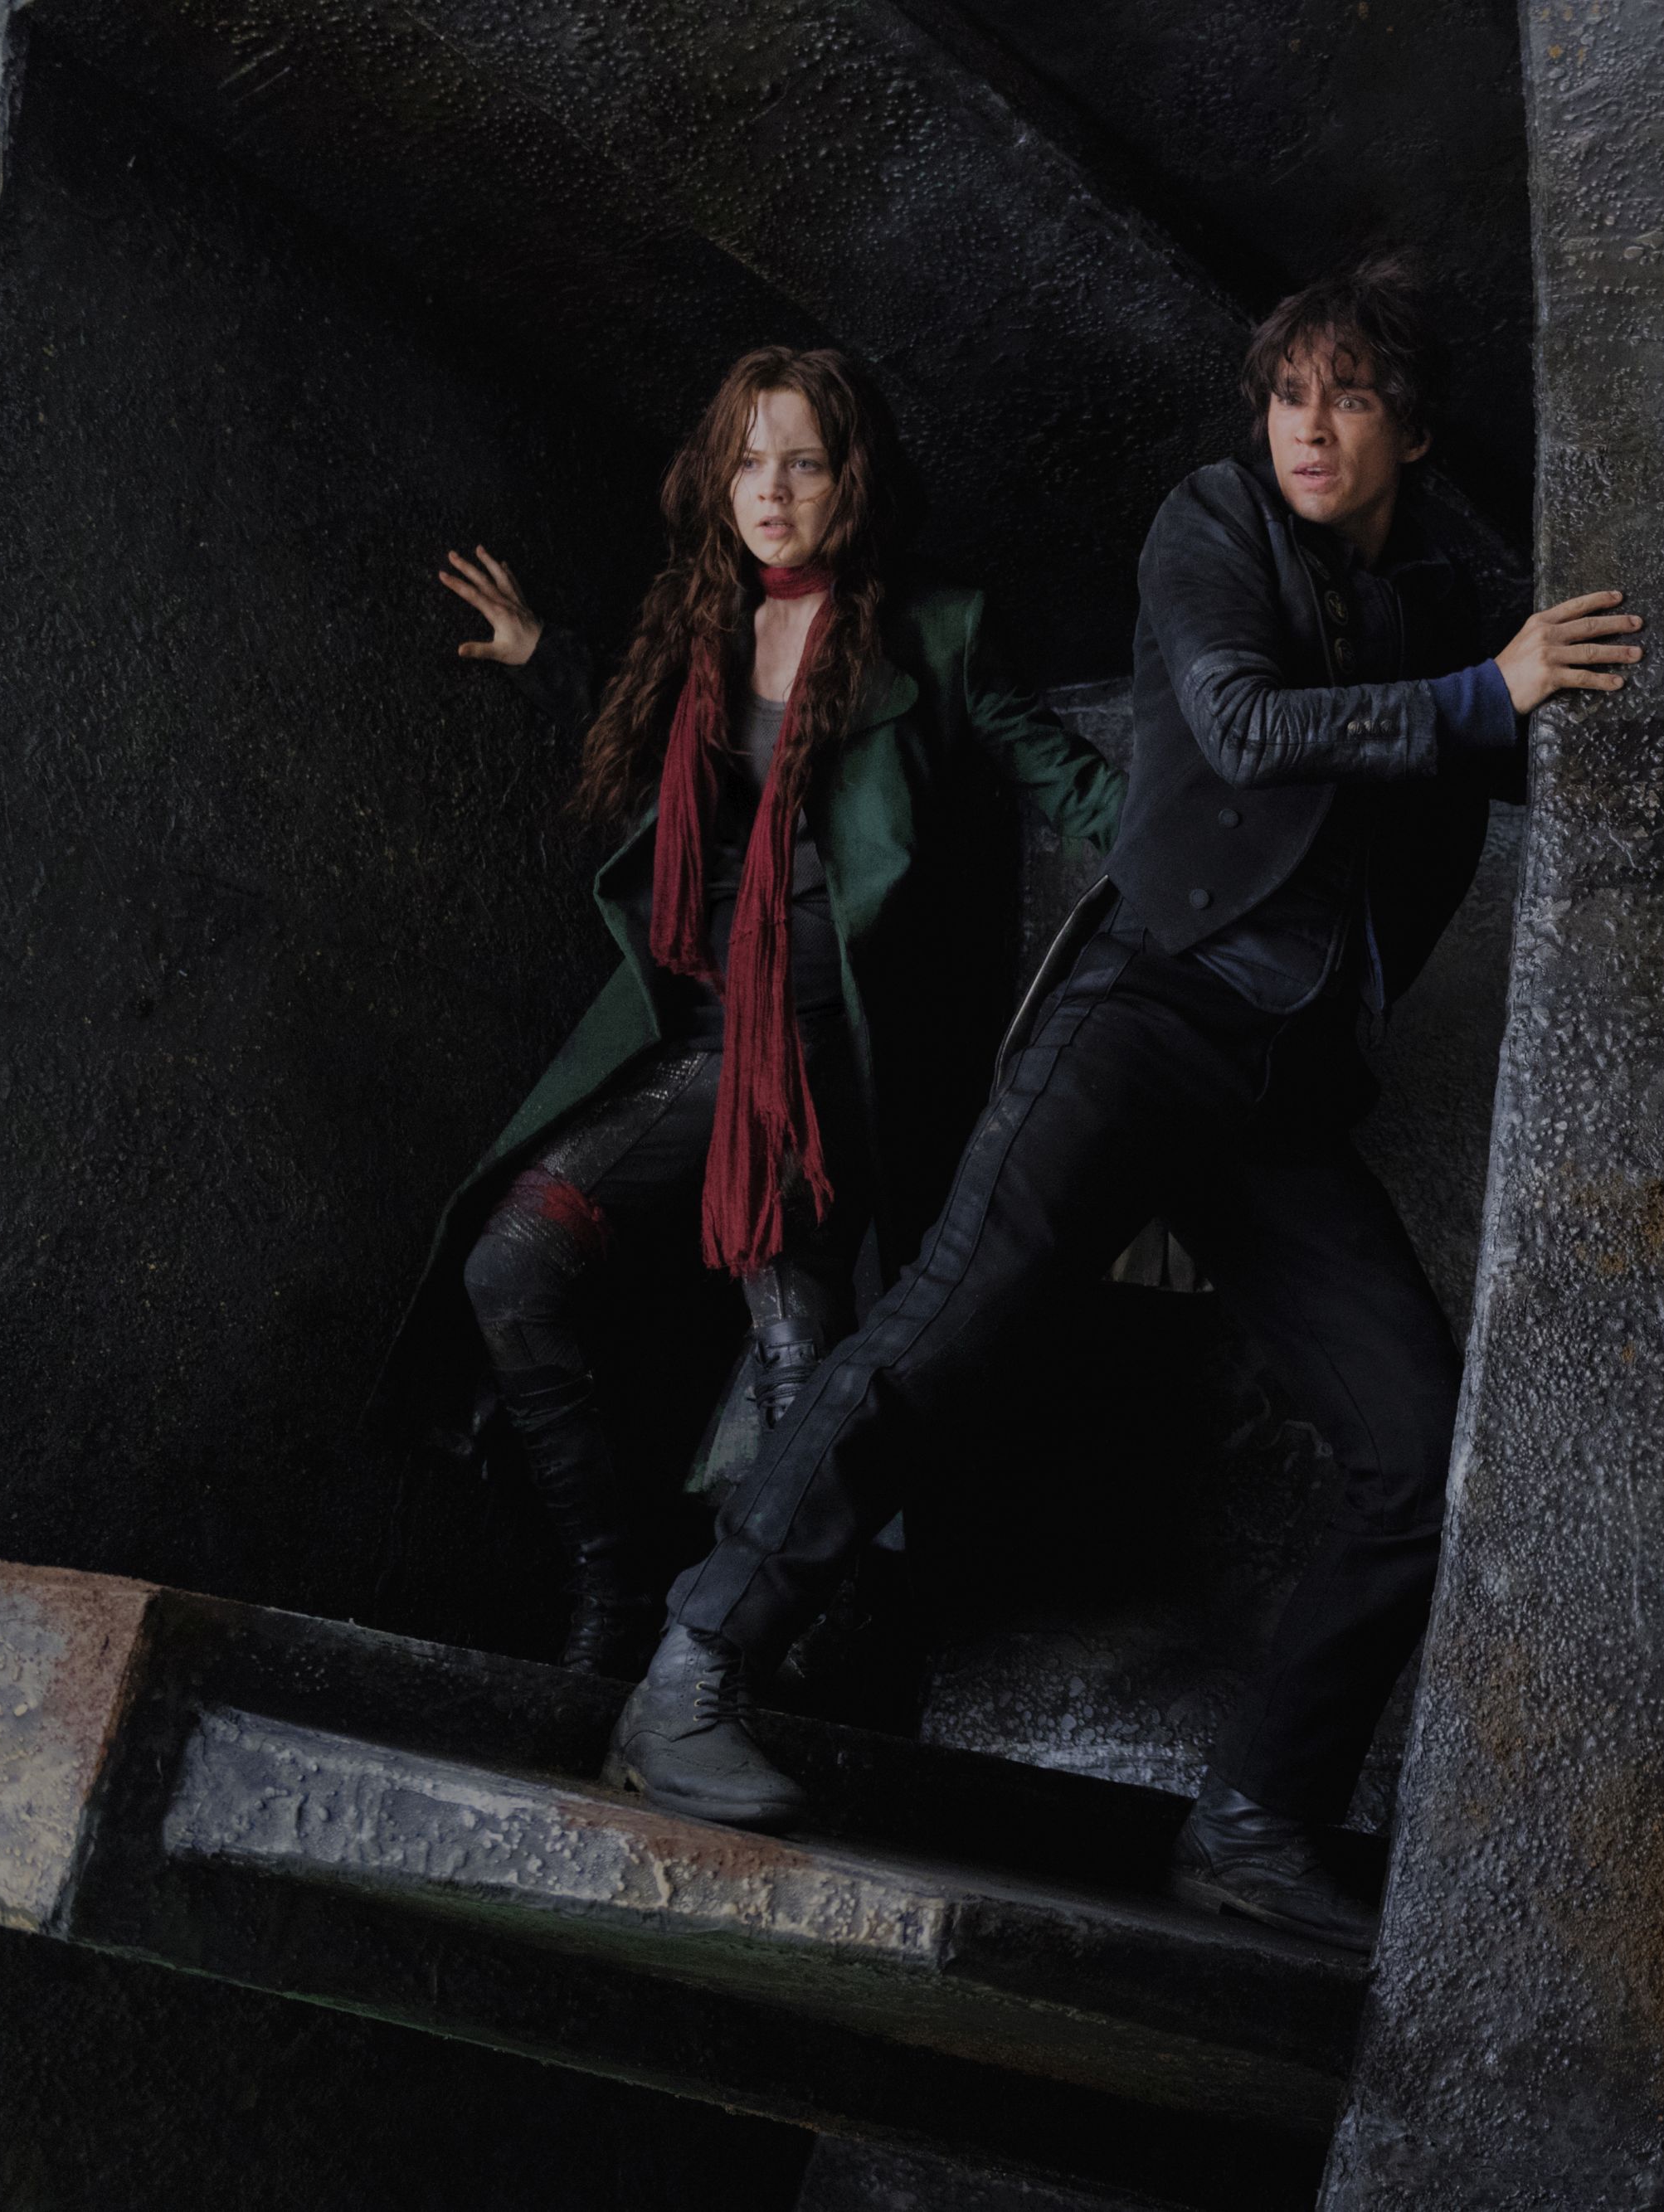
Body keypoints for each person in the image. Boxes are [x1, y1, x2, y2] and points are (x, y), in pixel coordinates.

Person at [615, 259, 1641, 1948]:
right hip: (1148, 1011)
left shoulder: (1447, 602)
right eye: (1289, 395)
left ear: (1413, 430)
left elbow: (1484, 781)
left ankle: (1254, 1820)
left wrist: (1515, 712)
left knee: (1417, 1448)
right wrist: (1489, 692)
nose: (1309, 428)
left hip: (1281, 1087)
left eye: (1350, 397)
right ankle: (693, 1673)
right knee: (938, 1332)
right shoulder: (1211, 524)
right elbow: (1237, 723)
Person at [376, 346, 1121, 1678]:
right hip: (699, 1032)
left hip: (826, 1056)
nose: (770, 491)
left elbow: (1067, 780)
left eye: (804, 463)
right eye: (748, 462)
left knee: (793, 1359)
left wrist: (1210, 847)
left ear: (854, 480)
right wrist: (547, 659)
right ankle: (630, 1592)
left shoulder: (938, 628)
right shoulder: (703, 623)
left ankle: (725, 1664)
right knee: (545, 1276)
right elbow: (656, 764)